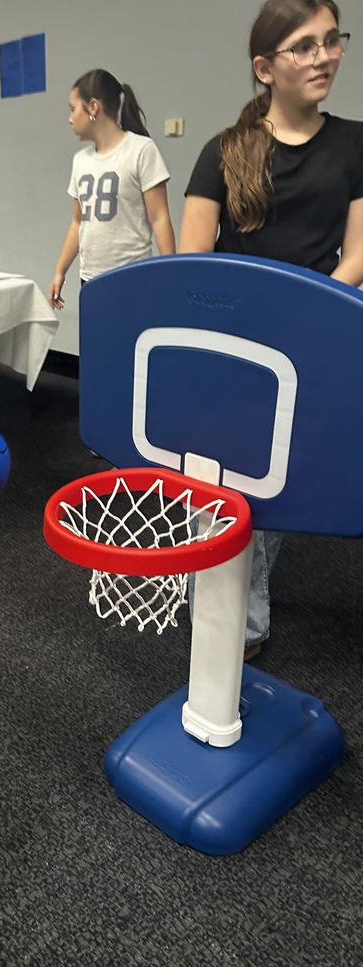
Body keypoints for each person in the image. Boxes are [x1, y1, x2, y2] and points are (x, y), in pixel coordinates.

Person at [179, 0, 363, 659]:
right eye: (304, 47)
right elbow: (193, 264)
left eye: (331, 40)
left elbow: (357, 254)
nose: (325, 56)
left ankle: (238, 613)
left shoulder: (355, 143)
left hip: (310, 353)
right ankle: (225, 614)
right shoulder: (221, 153)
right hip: (231, 356)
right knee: (220, 486)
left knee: (271, 489)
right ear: (265, 67)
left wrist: (311, 322)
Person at [48, 69, 175, 311]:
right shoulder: (80, 161)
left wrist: (171, 274)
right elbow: (78, 221)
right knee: (98, 346)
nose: (70, 118)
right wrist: (60, 271)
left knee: (131, 346)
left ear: (93, 107)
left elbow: (159, 217)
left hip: (132, 276)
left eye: (73, 108)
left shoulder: (141, 150)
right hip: (91, 278)